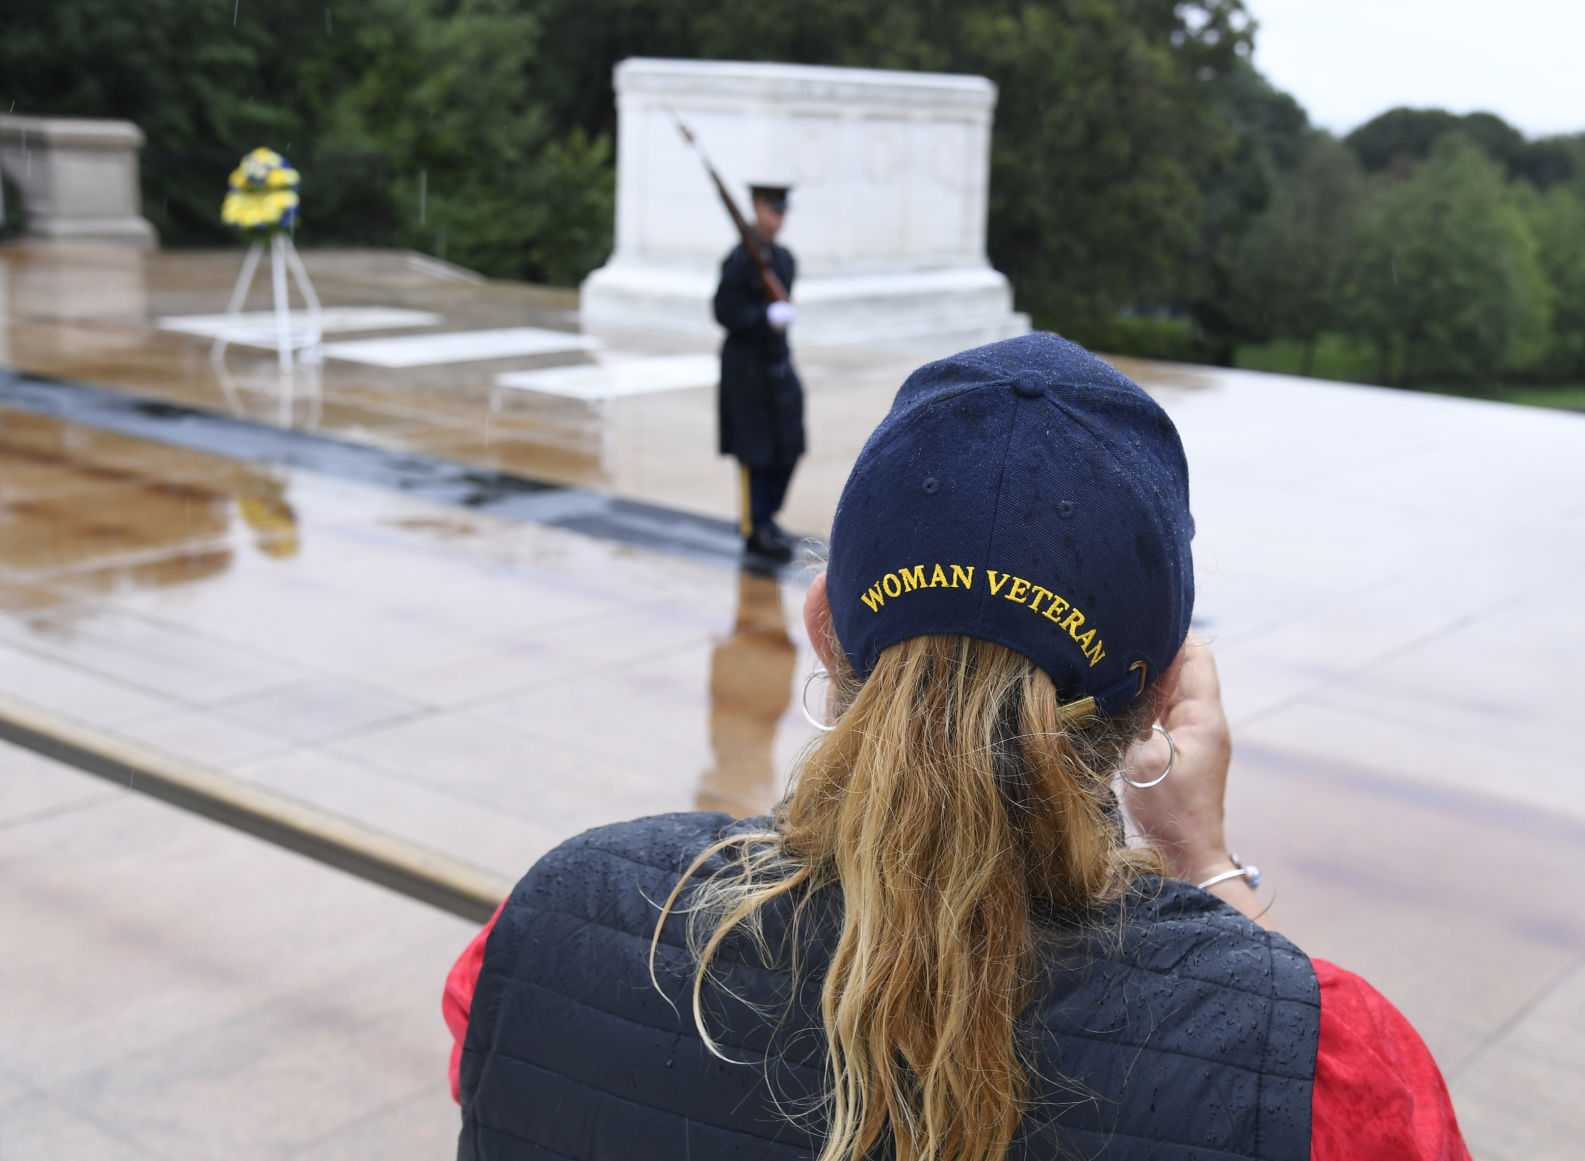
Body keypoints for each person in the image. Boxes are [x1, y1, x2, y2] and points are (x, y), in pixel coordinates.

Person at [444, 334, 1472, 1161]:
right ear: (1163, 693)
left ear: (823, 628)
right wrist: (1203, 864)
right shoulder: (1315, 1062)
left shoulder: (555, 924)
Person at [714, 183, 803, 565]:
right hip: (747, 369)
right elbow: (723, 310)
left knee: (790, 443)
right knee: (755, 450)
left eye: (783, 210)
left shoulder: (784, 259)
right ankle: (756, 527)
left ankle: (770, 516)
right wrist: (762, 317)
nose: (779, 217)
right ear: (757, 208)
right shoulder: (740, 259)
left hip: (777, 364)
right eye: (773, 209)